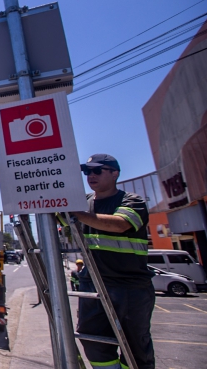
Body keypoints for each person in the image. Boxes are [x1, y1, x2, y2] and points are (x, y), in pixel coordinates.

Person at [71, 154, 154, 369]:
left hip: (129, 286)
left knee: (135, 346)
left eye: (97, 171)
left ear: (115, 173)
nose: (91, 176)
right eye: (87, 172)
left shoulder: (131, 201)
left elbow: (119, 224)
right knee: (92, 341)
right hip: (92, 284)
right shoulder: (84, 204)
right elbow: (62, 220)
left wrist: (77, 213)